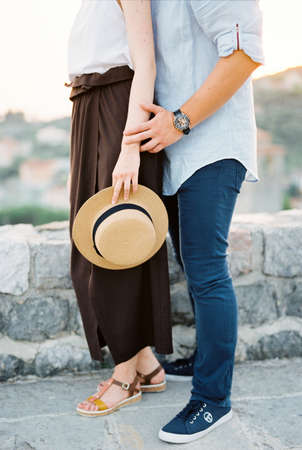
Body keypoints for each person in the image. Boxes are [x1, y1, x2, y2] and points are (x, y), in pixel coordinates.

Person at [123, 0, 265, 443]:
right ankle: (206, 358)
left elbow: (245, 54)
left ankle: (212, 399)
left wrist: (179, 122)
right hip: (178, 148)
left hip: (211, 144)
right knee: (191, 262)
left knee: (206, 270)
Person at [64, 0, 173, 417]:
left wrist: (128, 148)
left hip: (119, 107)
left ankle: (125, 376)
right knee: (91, 240)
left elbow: (144, 64)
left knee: (116, 243)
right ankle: (146, 364)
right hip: (91, 106)